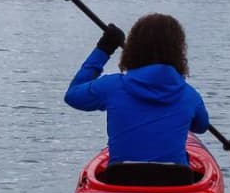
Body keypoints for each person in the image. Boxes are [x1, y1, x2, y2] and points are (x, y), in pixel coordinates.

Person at [64, 13, 211, 166]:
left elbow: (72, 95)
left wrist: (104, 49)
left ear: (133, 48)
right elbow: (201, 126)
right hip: (176, 177)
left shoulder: (111, 86)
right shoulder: (190, 96)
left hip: (120, 176)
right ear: (178, 52)